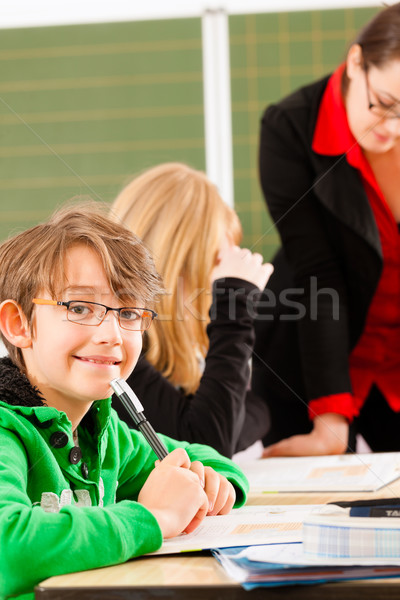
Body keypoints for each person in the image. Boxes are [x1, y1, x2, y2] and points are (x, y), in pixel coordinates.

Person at [0, 203, 248, 600]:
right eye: (80, 307)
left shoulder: (105, 432)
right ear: (18, 325)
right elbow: (7, 549)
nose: (112, 334)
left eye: (130, 312)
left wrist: (214, 482)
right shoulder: (7, 431)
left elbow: (206, 456)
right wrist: (155, 517)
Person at [255, 2, 400, 457]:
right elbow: (319, 273)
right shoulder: (289, 128)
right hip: (313, 361)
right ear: (357, 61)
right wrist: (330, 426)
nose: (392, 128)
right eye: (385, 105)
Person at [110, 163, 273, 458]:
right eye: (216, 265)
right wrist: (233, 304)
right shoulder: (116, 347)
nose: (215, 282)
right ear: (179, 266)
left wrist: (230, 426)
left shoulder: (178, 351)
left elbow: (256, 410)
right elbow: (208, 446)